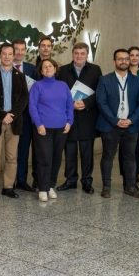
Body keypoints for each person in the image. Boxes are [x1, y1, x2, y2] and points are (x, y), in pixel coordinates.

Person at [97, 49, 139, 199]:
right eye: (120, 59)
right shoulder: (104, 80)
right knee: (108, 156)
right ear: (114, 61)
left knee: (130, 157)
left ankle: (130, 187)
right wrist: (115, 120)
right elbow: (101, 102)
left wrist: (131, 120)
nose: (124, 61)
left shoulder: (138, 81)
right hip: (110, 125)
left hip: (131, 126)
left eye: (126, 59)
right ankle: (106, 187)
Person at [0, 43, 29, 201]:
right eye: (4, 53)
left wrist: (12, 115)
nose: (7, 56)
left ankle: (8, 187)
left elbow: (24, 99)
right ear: (0, 55)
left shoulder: (20, 76)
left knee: (11, 157)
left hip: (14, 123)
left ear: (14, 55)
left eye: (10, 54)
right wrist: (3, 115)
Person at [57, 42, 101, 194]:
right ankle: (70, 180)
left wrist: (86, 103)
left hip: (87, 116)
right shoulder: (62, 70)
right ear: (72, 54)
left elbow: (100, 92)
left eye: (82, 53)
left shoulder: (95, 70)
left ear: (87, 54)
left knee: (87, 153)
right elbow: (59, 92)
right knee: (69, 151)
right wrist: (70, 104)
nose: (79, 56)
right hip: (68, 117)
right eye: (76, 53)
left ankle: (87, 181)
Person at [29, 58, 73, 202]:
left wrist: (69, 122)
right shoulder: (37, 86)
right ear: (41, 71)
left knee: (56, 158)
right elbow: (32, 107)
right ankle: (42, 188)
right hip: (43, 128)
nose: (47, 68)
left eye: (50, 66)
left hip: (61, 128)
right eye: (44, 67)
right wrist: (38, 124)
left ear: (55, 68)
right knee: (44, 158)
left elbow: (69, 105)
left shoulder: (63, 85)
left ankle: (50, 186)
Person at [119, 46, 139, 188]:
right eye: (131, 55)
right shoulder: (121, 73)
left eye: (137, 55)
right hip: (121, 119)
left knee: (136, 149)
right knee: (123, 150)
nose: (134, 58)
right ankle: (125, 176)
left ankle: (134, 175)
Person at [13, 38, 37, 192]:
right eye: (17, 49)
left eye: (23, 49)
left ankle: (22, 180)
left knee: (23, 149)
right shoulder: (4, 68)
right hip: (9, 116)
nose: (20, 52)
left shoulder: (32, 69)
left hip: (27, 116)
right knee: (9, 151)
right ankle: (10, 181)